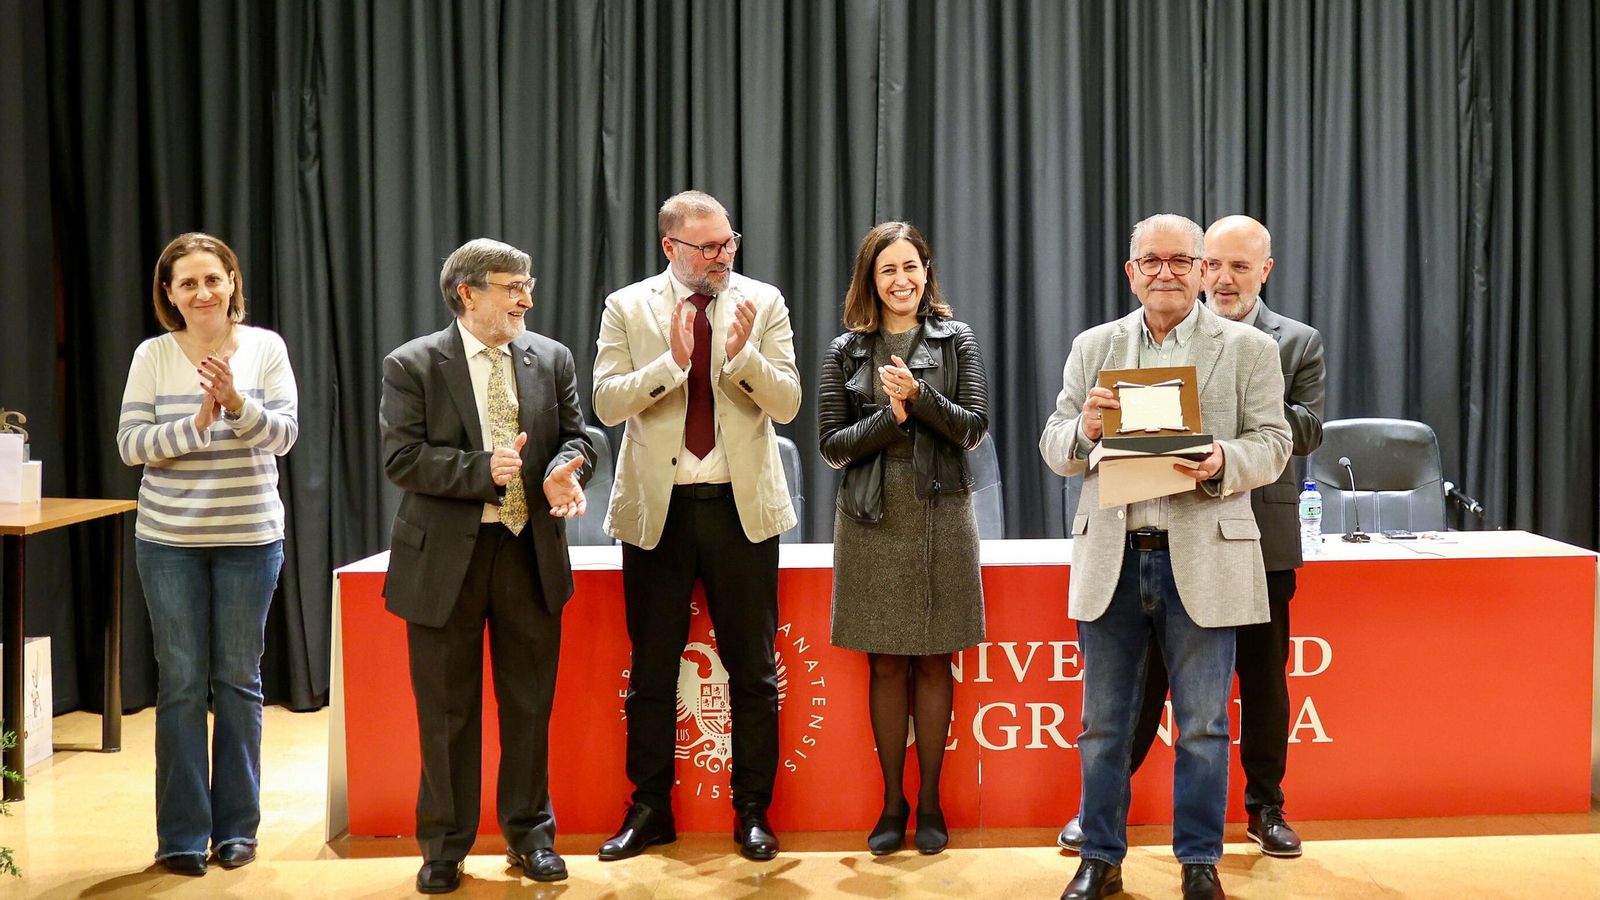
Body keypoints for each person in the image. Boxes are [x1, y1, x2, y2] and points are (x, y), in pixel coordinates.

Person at [1054, 215, 1325, 861]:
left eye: (1232, 266)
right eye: (1156, 261)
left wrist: (1211, 435)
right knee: (1116, 709)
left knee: (1242, 696)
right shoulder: (1101, 344)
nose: (1217, 277)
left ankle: (1256, 815)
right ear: (1136, 271)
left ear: (1261, 270)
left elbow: (1294, 435)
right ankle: (1102, 833)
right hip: (1130, 543)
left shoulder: (1278, 344)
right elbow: (1058, 442)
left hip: (1247, 534)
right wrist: (1102, 427)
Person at [593, 190, 801, 862]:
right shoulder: (628, 307)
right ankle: (650, 807)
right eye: (706, 246)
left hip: (740, 512)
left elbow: (790, 403)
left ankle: (752, 813)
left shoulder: (761, 302)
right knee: (652, 669)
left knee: (754, 671)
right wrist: (673, 364)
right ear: (670, 247)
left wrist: (739, 358)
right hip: (661, 511)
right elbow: (605, 401)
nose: (721, 257)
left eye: (728, 243)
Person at [379, 238, 593, 894]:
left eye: (528, 285)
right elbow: (402, 459)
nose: (527, 298)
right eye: (510, 287)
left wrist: (566, 467)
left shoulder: (549, 357)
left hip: (528, 554)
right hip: (447, 560)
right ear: (466, 293)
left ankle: (532, 836)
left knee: (528, 706)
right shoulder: (413, 363)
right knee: (447, 712)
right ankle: (444, 846)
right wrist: (481, 470)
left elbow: (581, 436)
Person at [117, 232, 299, 875]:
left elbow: (283, 436)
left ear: (232, 283)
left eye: (212, 279)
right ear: (169, 294)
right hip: (169, 542)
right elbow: (131, 445)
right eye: (186, 282)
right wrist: (194, 425)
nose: (201, 292)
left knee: (238, 683)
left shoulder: (266, 348)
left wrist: (235, 403)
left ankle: (237, 832)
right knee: (183, 684)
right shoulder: (153, 355)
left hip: (250, 538)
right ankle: (183, 837)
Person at [817, 222, 988, 855]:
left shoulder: (955, 339)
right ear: (871, 279)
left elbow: (973, 429)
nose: (902, 280)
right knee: (886, 663)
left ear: (926, 271)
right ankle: (893, 801)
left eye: (911, 266)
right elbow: (833, 447)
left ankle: (934, 801)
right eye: (888, 269)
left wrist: (920, 398)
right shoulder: (845, 350)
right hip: (871, 517)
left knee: (936, 656)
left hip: (941, 513)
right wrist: (890, 419)